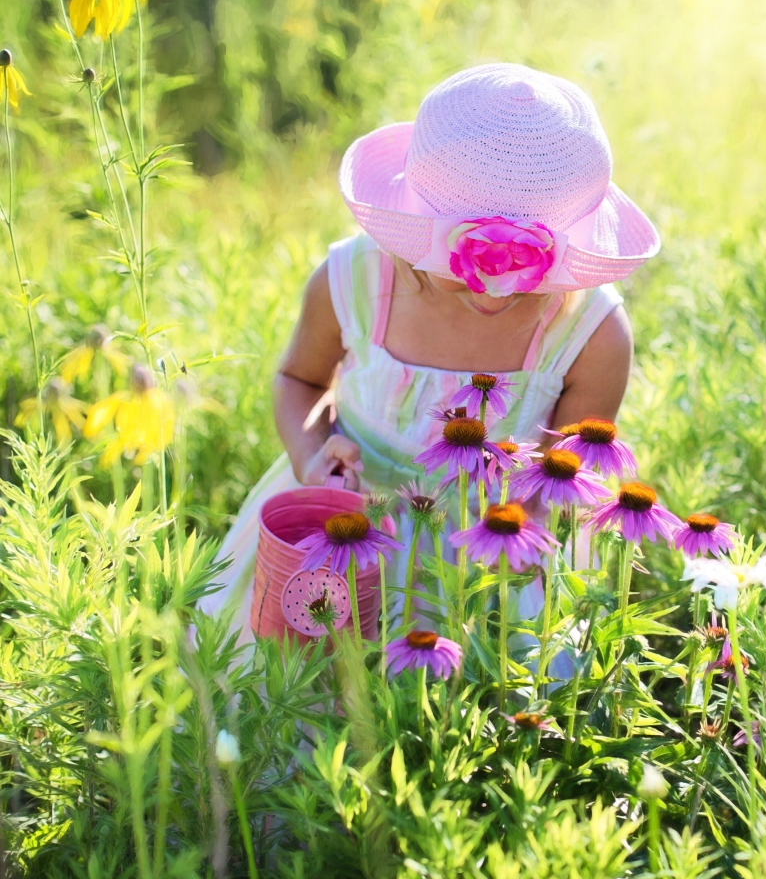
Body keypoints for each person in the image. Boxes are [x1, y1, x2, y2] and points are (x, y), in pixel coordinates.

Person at [200, 62, 660, 639]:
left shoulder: (590, 333)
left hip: (486, 558)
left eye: (525, 271)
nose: (494, 287)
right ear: (413, 230)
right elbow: (300, 380)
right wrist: (310, 456)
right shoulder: (353, 282)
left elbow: (561, 478)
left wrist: (524, 526)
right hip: (343, 524)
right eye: (470, 265)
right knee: (300, 674)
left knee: (480, 685)